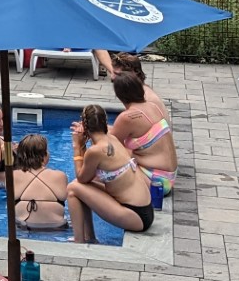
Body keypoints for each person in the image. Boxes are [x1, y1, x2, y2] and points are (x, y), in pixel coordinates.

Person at [66, 104, 155, 241]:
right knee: (81, 187)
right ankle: (89, 237)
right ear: (104, 122)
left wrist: (77, 146)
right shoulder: (112, 138)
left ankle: (79, 242)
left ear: (85, 125)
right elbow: (87, 179)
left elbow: (81, 177)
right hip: (145, 211)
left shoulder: (96, 151)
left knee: (73, 188)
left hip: (134, 215)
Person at [109, 69, 177, 195]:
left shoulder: (127, 117)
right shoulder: (153, 107)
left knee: (102, 172)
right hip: (167, 178)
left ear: (119, 95)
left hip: (154, 181)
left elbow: (110, 147)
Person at [10, 134, 73, 230]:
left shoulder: (13, 176)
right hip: (57, 227)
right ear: (45, 155)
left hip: (24, 226)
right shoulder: (60, 176)